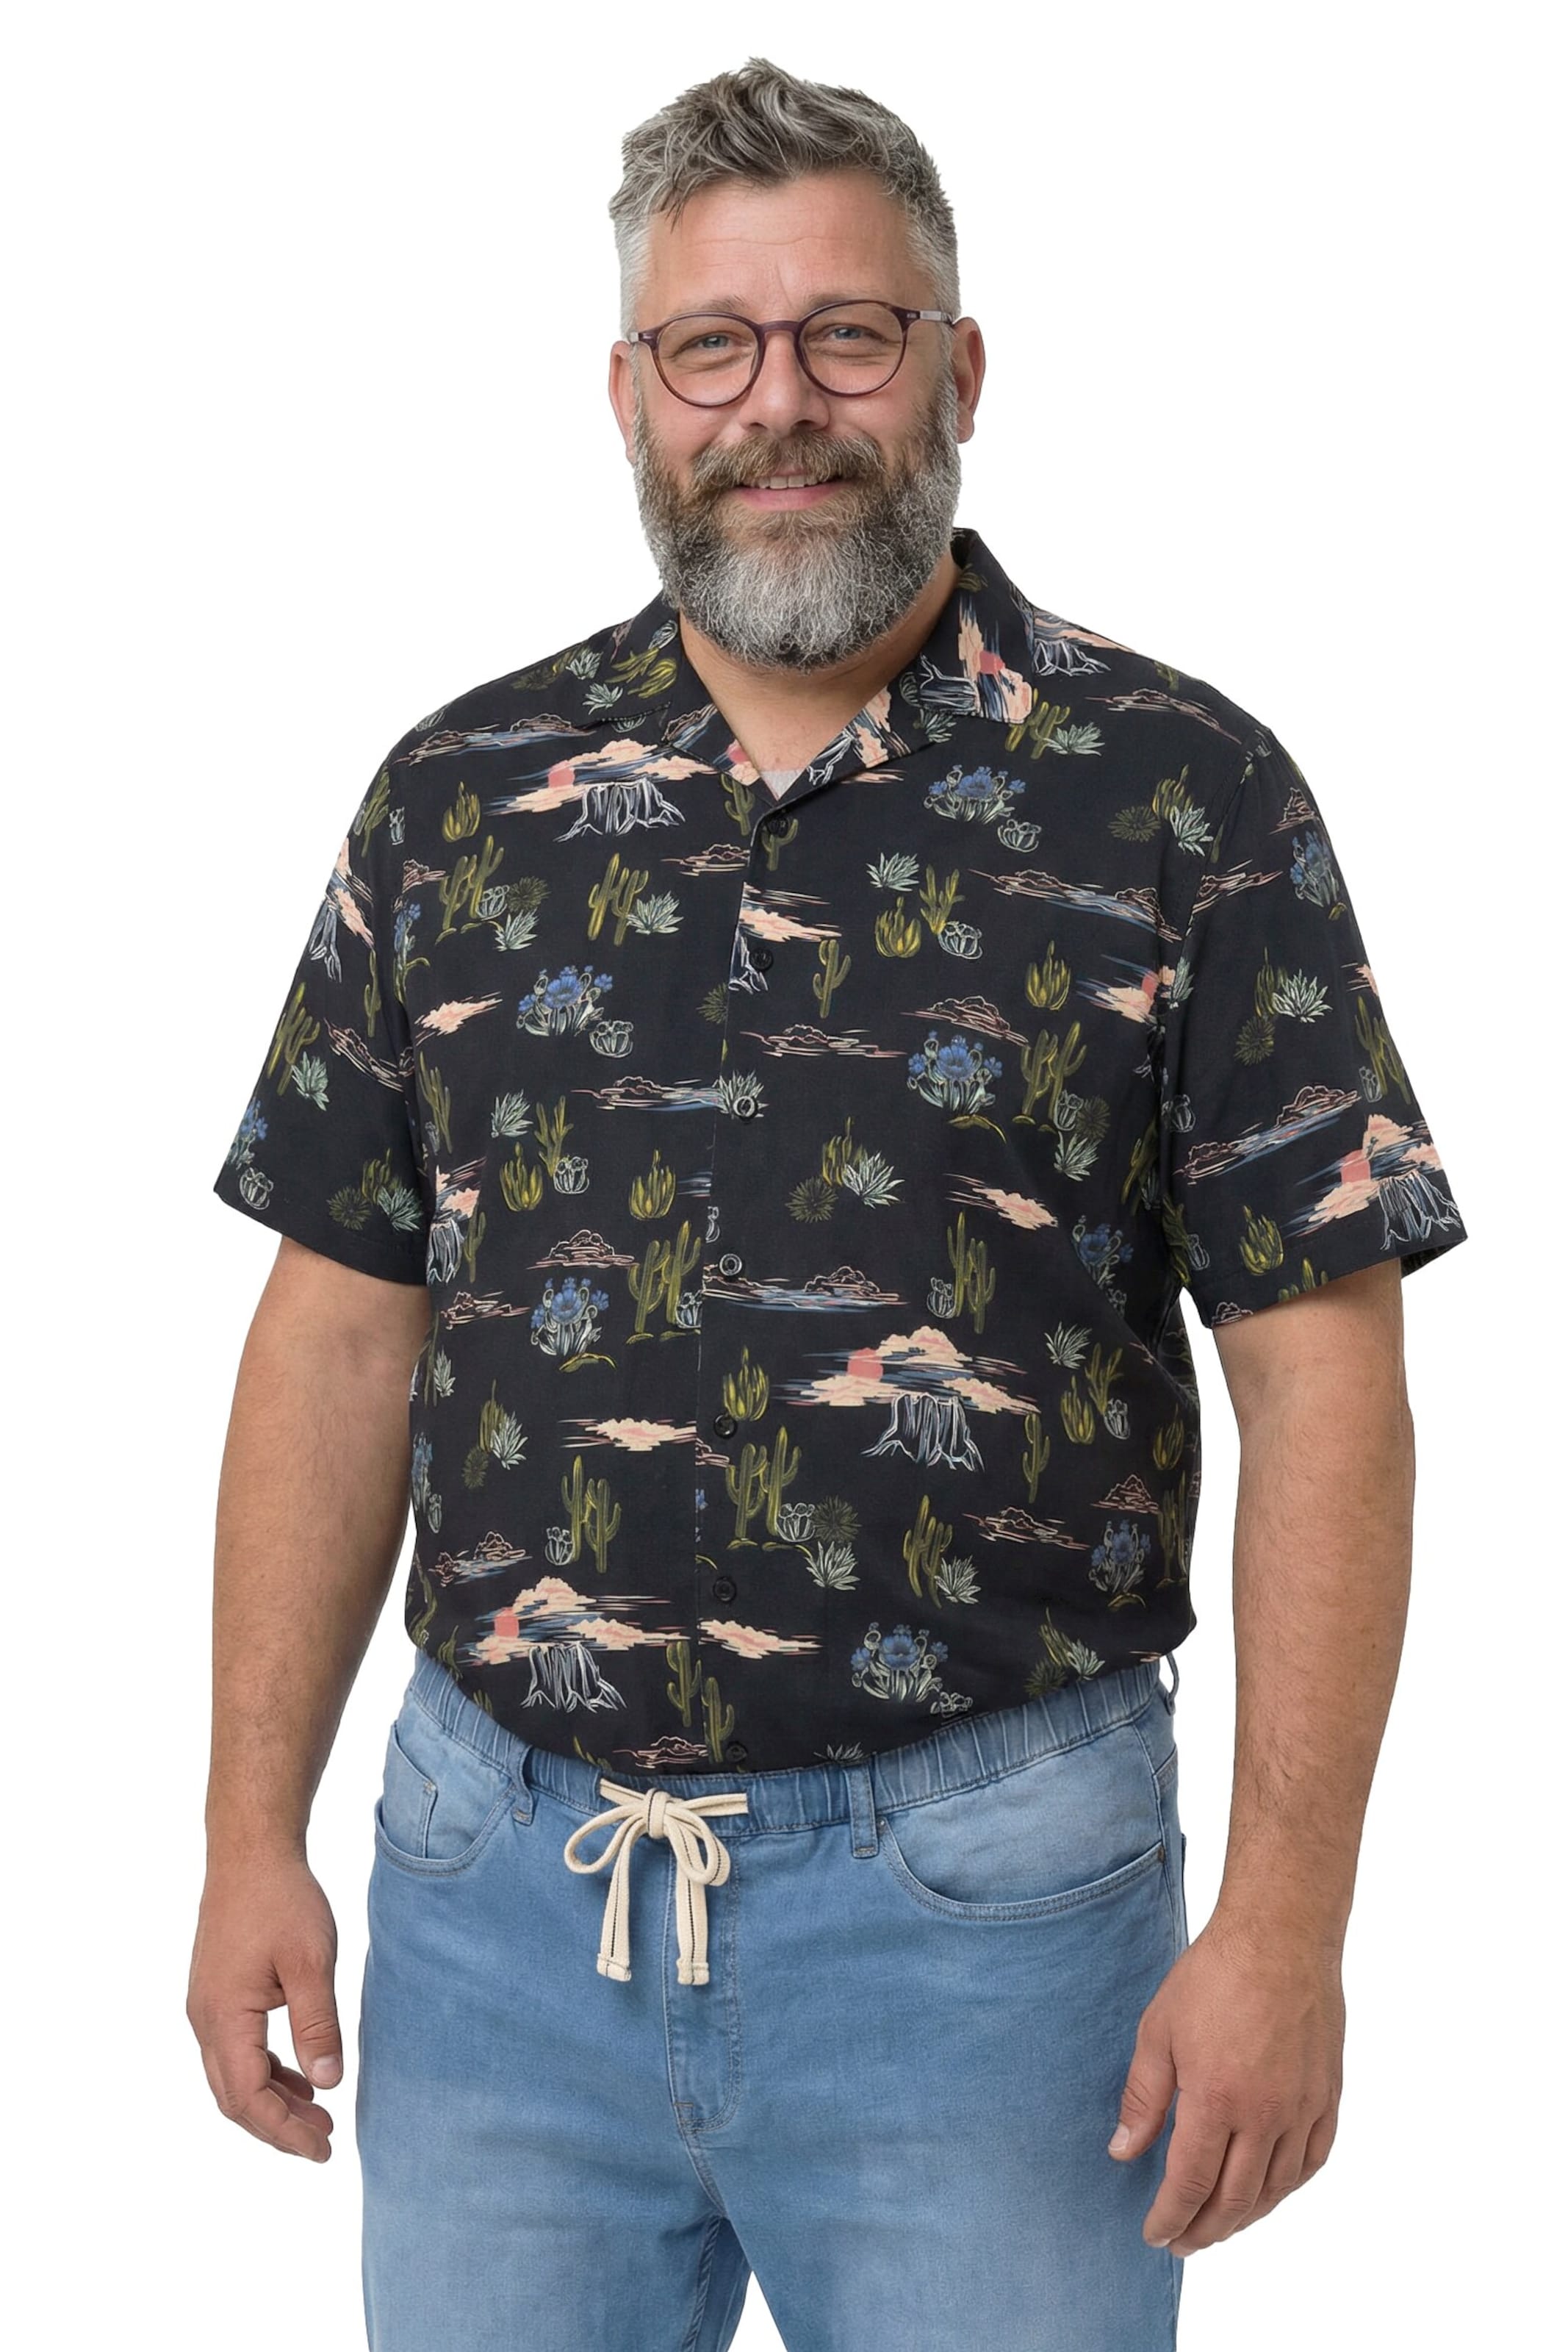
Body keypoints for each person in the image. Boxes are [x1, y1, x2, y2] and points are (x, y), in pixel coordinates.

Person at [187, 56, 1470, 2352]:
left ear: (958, 372)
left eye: (847, 337)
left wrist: (1289, 1926)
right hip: (496, 1911)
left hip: (993, 1931)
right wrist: (243, 1832)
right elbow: (343, 1324)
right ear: (630, 397)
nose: (779, 405)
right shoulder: (460, 798)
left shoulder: (1182, 796)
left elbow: (1327, 1385)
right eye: (714, 347)